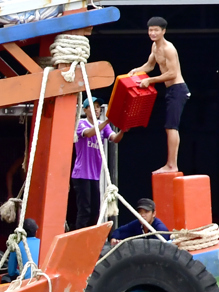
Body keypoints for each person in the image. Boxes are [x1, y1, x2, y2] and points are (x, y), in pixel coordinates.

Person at [129, 16, 189, 174]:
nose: (153, 33)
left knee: (171, 127)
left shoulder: (169, 49)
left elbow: (172, 73)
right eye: (150, 30)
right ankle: (169, 164)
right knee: (168, 127)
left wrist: (150, 81)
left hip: (178, 88)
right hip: (170, 90)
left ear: (163, 31)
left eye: (156, 30)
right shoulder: (155, 48)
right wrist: (136, 71)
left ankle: (172, 165)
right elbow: (149, 65)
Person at [72, 97, 124, 231]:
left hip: (94, 175)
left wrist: (123, 130)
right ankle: (79, 240)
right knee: (85, 210)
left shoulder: (103, 125)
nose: (96, 109)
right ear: (85, 110)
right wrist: (107, 121)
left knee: (95, 211)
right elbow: (89, 134)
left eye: (98, 106)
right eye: (93, 106)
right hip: (81, 174)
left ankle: (90, 239)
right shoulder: (81, 123)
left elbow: (115, 139)